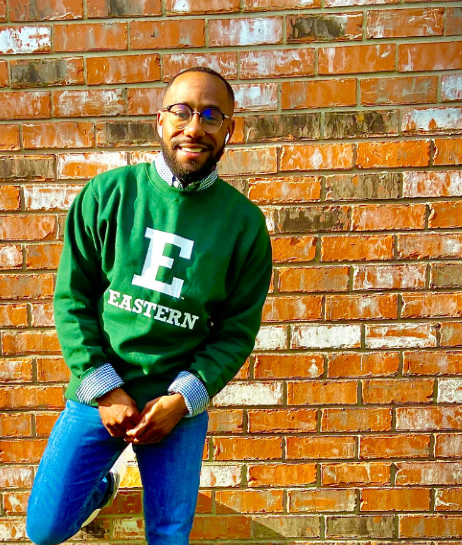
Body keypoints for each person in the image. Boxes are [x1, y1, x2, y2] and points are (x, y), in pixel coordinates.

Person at [25, 67, 273, 545]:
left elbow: (235, 332)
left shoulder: (244, 225)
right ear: (160, 121)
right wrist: (104, 390)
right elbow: (72, 299)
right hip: (101, 392)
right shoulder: (109, 195)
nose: (194, 127)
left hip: (175, 404)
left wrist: (182, 401)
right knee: (45, 529)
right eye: (181, 112)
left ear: (229, 130)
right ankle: (99, 490)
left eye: (210, 115)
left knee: (169, 538)